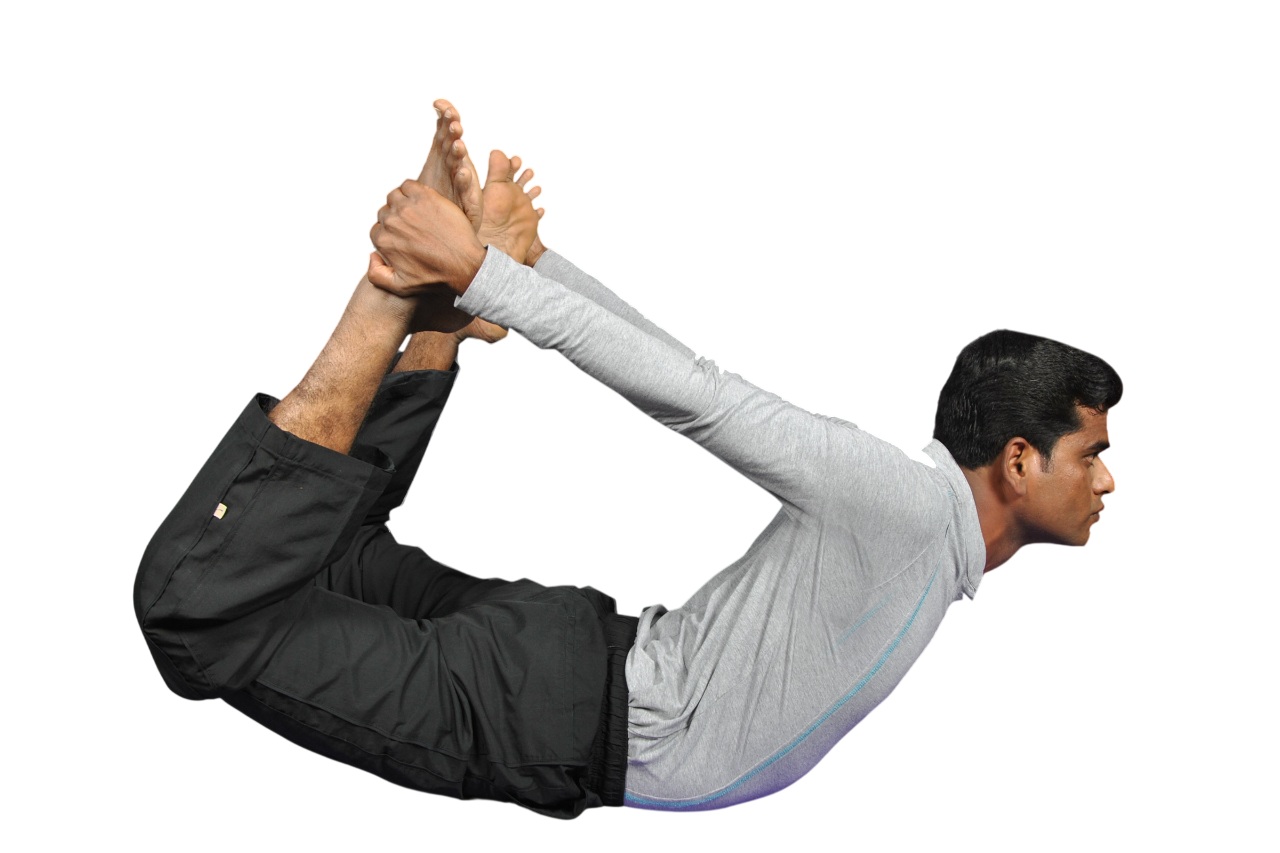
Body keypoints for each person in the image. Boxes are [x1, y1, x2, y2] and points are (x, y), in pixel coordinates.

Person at [134, 100, 1121, 819]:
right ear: (1018, 459)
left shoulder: (927, 543)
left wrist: (525, 268)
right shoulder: (903, 502)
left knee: (332, 553)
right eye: (1092, 454)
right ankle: (400, 295)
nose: (1107, 480)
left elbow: (694, 376)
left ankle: (435, 314)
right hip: (556, 709)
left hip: (574, 666)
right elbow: (698, 393)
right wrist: (484, 272)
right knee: (196, 617)